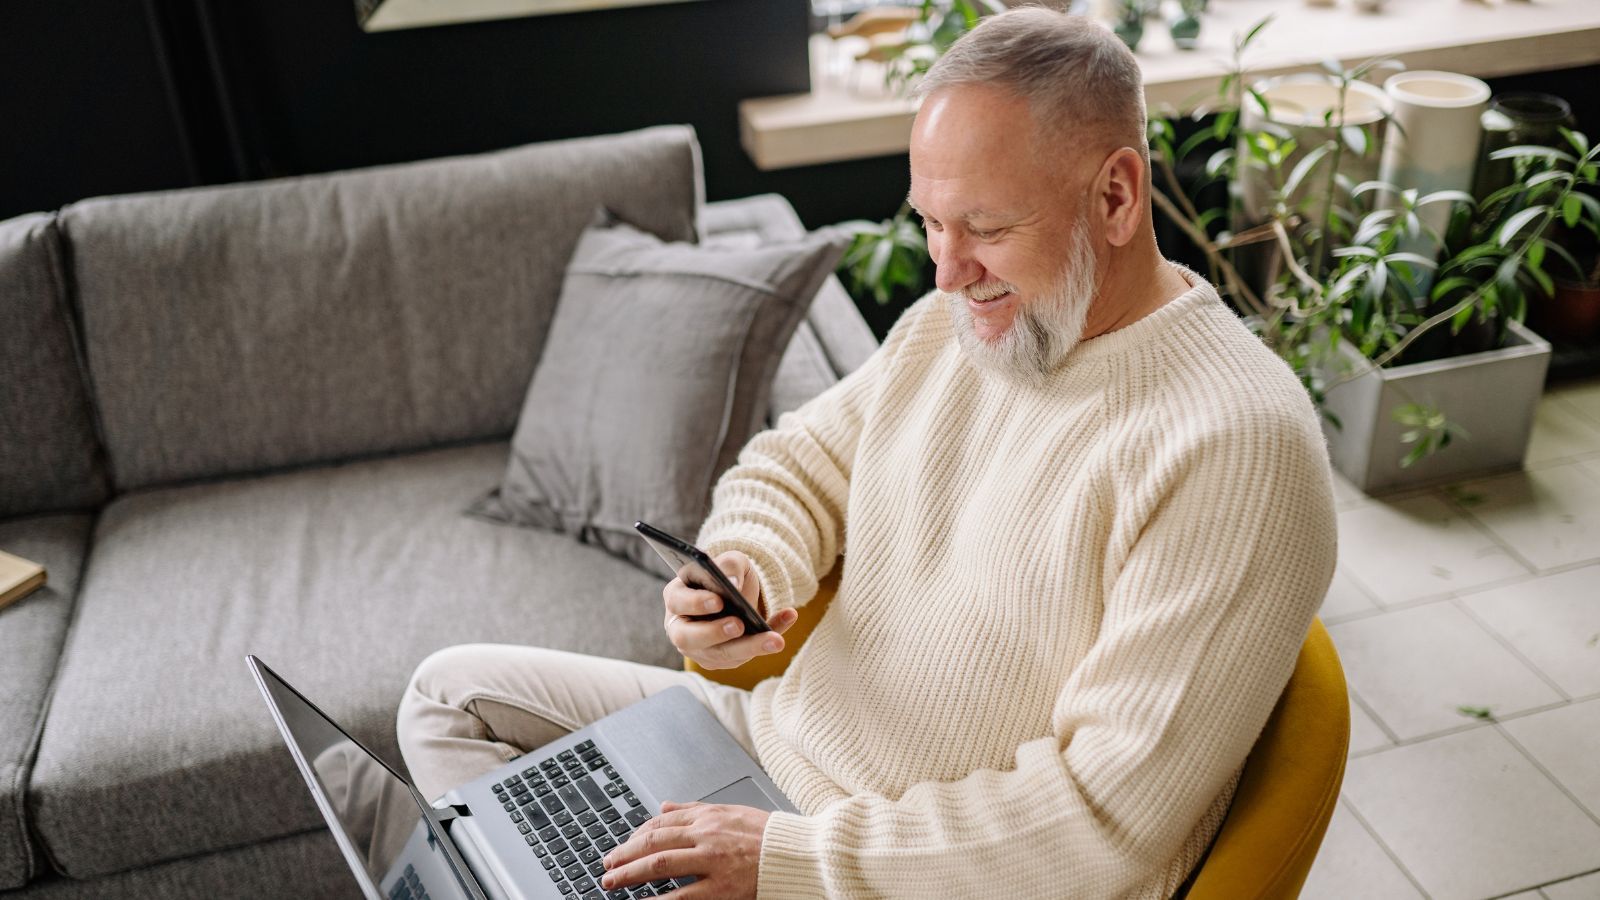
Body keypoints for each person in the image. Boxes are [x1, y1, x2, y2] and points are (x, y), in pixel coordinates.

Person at [396, 8, 1338, 898]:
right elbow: (797, 462)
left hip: (911, 870)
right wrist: (747, 562)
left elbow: (1102, 822)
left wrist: (787, 860)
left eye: (986, 227)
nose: (947, 269)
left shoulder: (1238, 444)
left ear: (1116, 195)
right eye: (932, 220)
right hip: (771, 758)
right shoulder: (958, 327)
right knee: (450, 697)